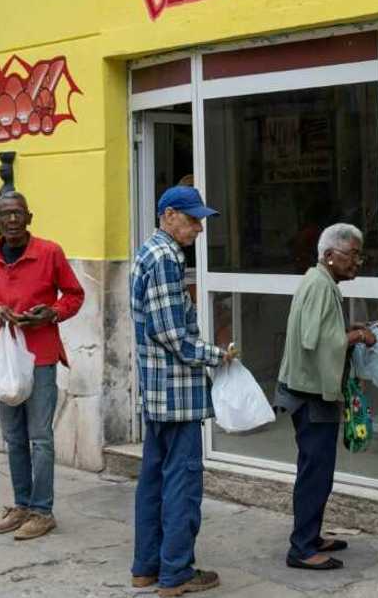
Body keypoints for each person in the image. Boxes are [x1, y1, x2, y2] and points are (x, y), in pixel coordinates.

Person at [129, 186, 237, 597]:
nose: (198, 229)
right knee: (182, 484)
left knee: (154, 482)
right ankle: (175, 573)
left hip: (157, 392)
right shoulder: (165, 258)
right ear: (169, 215)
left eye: (200, 221)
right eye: (192, 220)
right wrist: (217, 355)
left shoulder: (149, 253)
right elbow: (172, 333)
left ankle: (147, 567)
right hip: (175, 394)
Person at [0, 191, 84, 541]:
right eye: (6, 214)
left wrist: (52, 312)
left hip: (42, 355)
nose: (13, 219)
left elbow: (74, 295)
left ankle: (42, 510)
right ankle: (21, 504)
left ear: (30, 218)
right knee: (14, 436)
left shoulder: (50, 252)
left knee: (40, 437)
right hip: (7, 357)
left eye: (18, 213)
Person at [275, 223, 376, 570]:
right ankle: (302, 548)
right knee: (316, 472)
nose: (357, 262)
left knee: (316, 469)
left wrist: (346, 332)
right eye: (352, 255)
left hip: (308, 389)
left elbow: (320, 332)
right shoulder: (320, 286)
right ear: (330, 256)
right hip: (310, 393)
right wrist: (358, 337)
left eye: (359, 255)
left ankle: (311, 535)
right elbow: (313, 340)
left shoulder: (320, 281)